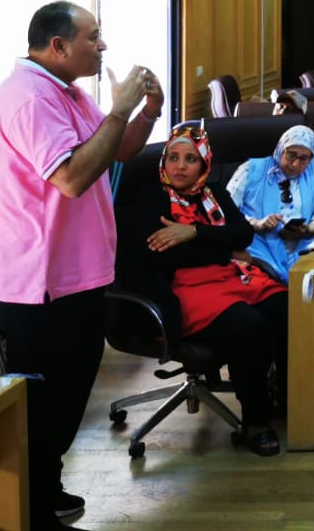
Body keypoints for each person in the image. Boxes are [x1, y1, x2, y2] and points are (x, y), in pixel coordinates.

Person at [0, 1, 160, 530]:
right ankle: (33, 514)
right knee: (44, 408)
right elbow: (73, 178)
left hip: (76, 276)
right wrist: (120, 110)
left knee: (66, 398)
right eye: (93, 36)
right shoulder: (28, 99)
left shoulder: (66, 91)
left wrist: (146, 112)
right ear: (58, 46)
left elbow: (114, 151)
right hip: (38, 284)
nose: (102, 46)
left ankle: (46, 489)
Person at [121, 127, 289, 457]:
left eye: (190, 159)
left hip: (231, 278)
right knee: (250, 328)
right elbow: (164, 254)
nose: (180, 166)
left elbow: (242, 234)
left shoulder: (213, 193)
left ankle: (285, 397)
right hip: (180, 288)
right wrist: (222, 250)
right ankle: (256, 420)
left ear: (204, 164)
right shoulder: (150, 197)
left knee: (286, 309)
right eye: (173, 158)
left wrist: (193, 232)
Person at [226, 125, 314, 283]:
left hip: (302, 245)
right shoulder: (250, 170)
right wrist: (256, 224)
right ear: (280, 149)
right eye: (291, 155)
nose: (295, 164)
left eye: (303, 159)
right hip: (259, 248)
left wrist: (309, 229)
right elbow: (225, 212)